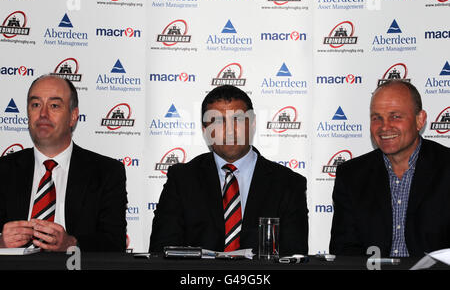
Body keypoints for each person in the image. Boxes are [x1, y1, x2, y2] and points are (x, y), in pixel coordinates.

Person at [149, 85, 308, 255]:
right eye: (217, 121)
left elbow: (294, 258)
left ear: (252, 124)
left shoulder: (288, 184)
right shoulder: (182, 180)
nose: (230, 130)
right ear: (205, 131)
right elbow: (162, 252)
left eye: (238, 119)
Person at [0, 74, 128, 252]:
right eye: (36, 105)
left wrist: (71, 244)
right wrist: (1, 243)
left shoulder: (106, 172)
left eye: (54, 106)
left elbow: (115, 242)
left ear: (73, 116)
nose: (43, 114)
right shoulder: (3, 170)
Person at [329, 80, 450, 257]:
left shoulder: (446, 167)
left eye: (395, 116)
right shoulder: (351, 176)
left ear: (420, 120)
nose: (385, 127)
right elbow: (344, 251)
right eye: (377, 118)